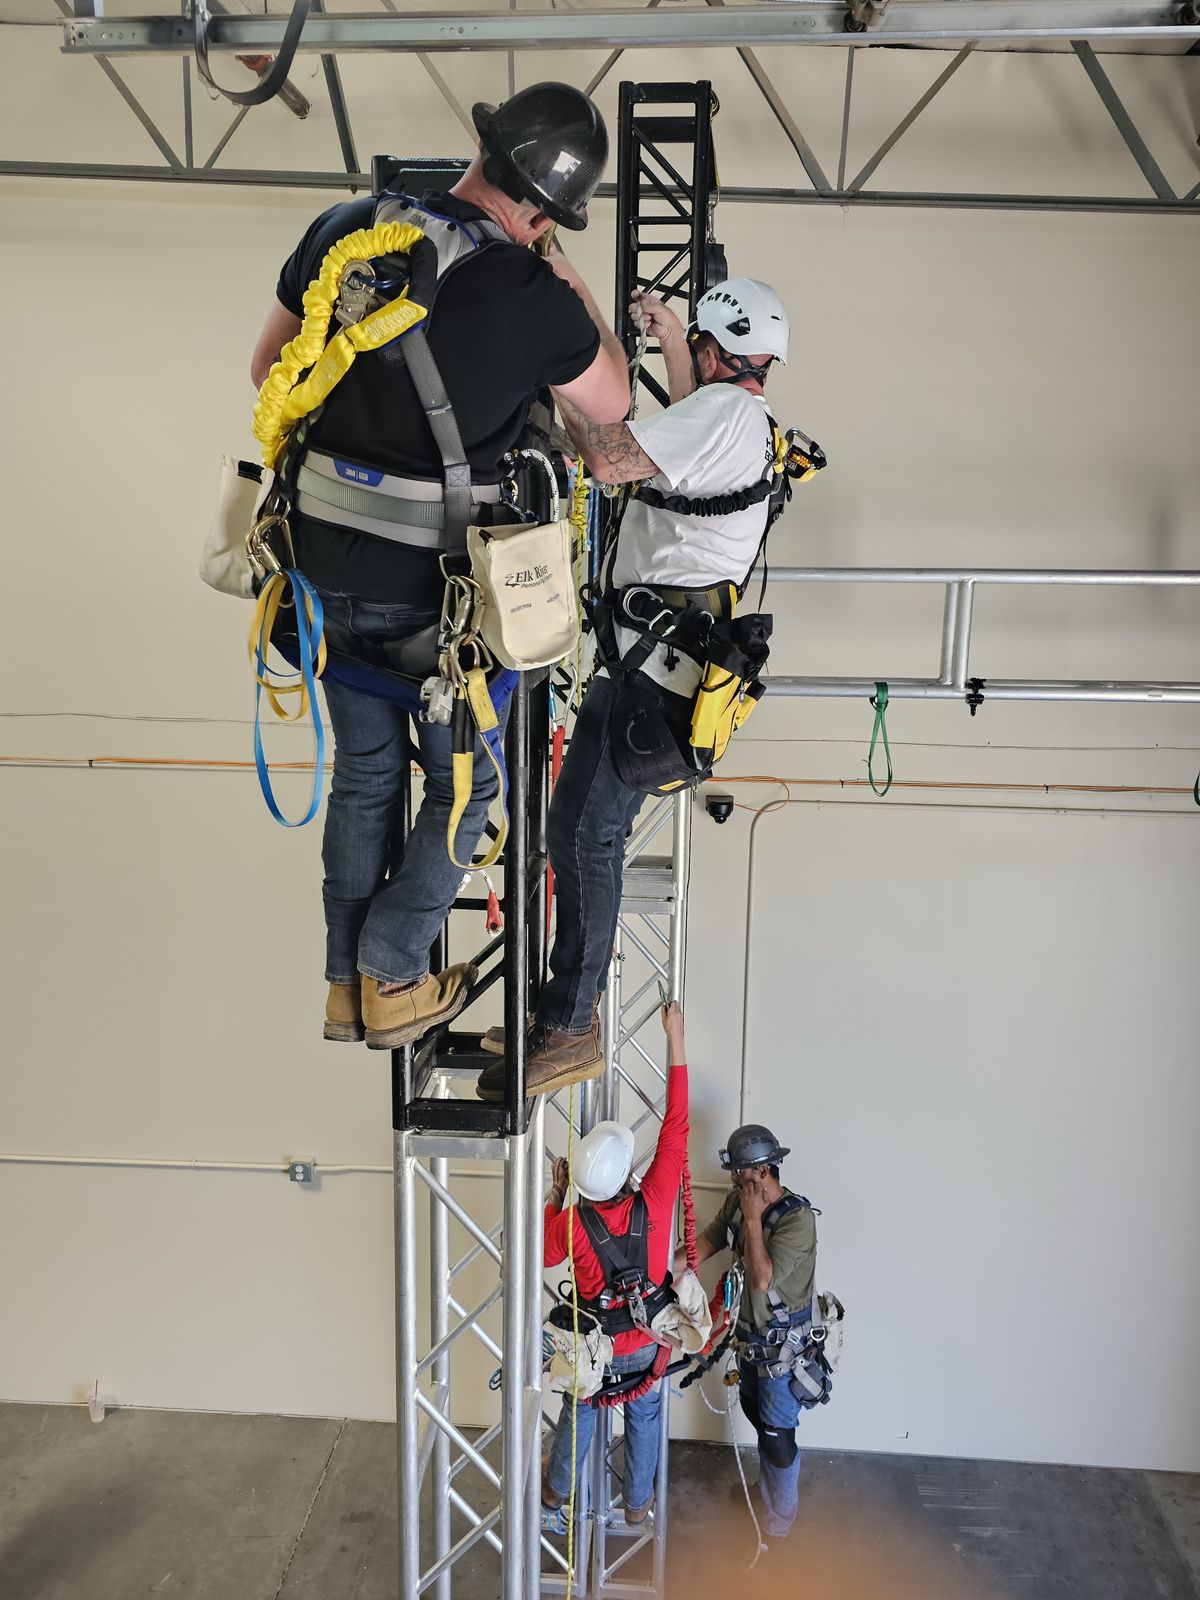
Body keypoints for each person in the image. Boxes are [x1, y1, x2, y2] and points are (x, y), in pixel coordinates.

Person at [248, 83, 630, 1052]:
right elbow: (613, 398)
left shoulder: (348, 229)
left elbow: (269, 371)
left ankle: (345, 984)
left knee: (367, 781)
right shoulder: (531, 294)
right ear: (546, 212)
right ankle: (388, 971)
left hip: (316, 575)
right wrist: (565, 275)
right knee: (467, 796)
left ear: (480, 147)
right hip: (435, 603)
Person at [476, 277, 791, 1100]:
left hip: (651, 676)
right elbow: (684, 425)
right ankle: (560, 1012)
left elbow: (611, 460)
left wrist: (551, 368)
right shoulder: (733, 419)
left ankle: (570, 1023)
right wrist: (675, 339)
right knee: (582, 834)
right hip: (659, 673)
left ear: (723, 352)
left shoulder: (729, 419)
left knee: (581, 837)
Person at [541, 1001, 689, 1523]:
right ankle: (638, 1502)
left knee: (579, 1411)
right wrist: (676, 1039)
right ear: (628, 1173)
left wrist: (557, 1195)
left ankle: (557, 1489)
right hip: (648, 1346)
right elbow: (677, 1124)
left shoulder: (573, 1224)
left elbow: (541, 1251)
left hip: (597, 1352)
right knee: (644, 1412)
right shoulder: (655, 1198)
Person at [683, 1123, 818, 1545]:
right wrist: (667, 1274)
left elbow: (762, 1280)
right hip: (748, 1343)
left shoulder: (797, 1221)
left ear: (762, 1172)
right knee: (760, 1422)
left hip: (782, 1352)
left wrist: (756, 1220)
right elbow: (707, 1242)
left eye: (740, 1173)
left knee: (779, 1438)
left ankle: (779, 1524)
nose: (733, 1180)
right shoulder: (737, 1205)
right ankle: (766, 1494)